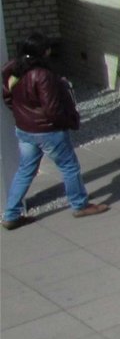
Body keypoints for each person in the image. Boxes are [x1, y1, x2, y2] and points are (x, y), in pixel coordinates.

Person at [3, 34, 107, 228]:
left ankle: (10, 214)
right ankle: (80, 204)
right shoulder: (42, 75)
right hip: (48, 131)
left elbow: (9, 99)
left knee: (25, 171)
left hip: (25, 130)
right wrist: (68, 121)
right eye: (47, 48)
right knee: (69, 167)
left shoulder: (13, 70)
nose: (50, 50)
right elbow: (52, 109)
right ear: (42, 52)